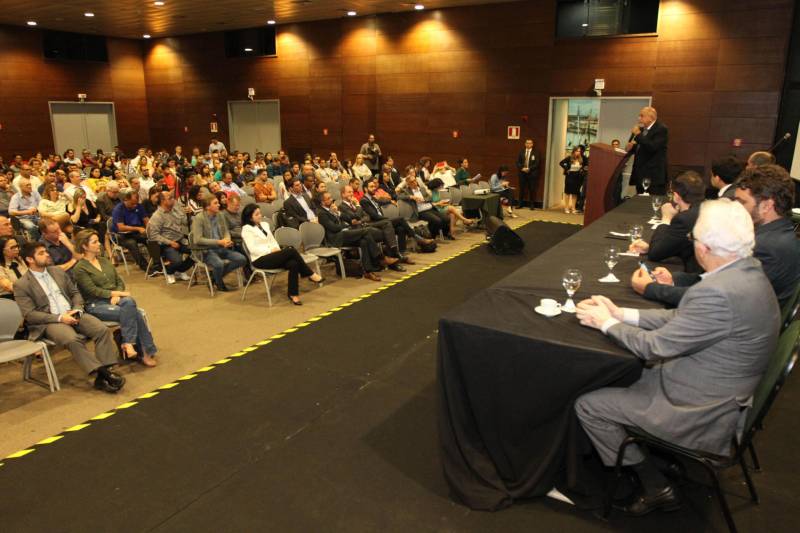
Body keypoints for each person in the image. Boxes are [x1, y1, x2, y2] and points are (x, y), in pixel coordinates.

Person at [574, 199, 779, 516]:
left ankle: (655, 484)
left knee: (589, 406)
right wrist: (622, 314)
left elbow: (653, 348)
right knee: (628, 375)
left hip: (700, 412)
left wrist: (606, 323)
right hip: (723, 393)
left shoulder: (718, 292)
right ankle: (656, 458)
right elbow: (683, 323)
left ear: (704, 248)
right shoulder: (748, 273)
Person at [636, 165, 800, 309]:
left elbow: (715, 298)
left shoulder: (767, 246)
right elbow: (715, 281)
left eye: (742, 202)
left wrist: (651, 289)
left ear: (766, 206)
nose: (735, 207)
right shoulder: (775, 235)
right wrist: (673, 279)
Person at [14, 241, 125, 393]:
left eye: (46, 251)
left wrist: (77, 308)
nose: (47, 254)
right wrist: (60, 318)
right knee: (72, 339)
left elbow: (75, 293)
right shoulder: (22, 284)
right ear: (30, 260)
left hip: (73, 312)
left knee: (101, 329)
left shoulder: (57, 272)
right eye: (41, 253)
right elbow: (30, 314)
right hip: (50, 321)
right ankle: (104, 374)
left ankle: (103, 376)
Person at [73, 230, 158, 367]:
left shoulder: (104, 261)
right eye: (94, 242)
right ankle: (144, 351)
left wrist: (117, 294)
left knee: (129, 304)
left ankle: (129, 343)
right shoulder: (80, 268)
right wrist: (114, 294)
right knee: (134, 312)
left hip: (117, 298)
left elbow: (119, 280)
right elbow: (92, 290)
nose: (99, 244)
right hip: (96, 304)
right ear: (84, 246)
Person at [240, 204, 323, 305]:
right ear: (250, 217)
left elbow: (273, 241)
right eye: (257, 214)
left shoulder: (264, 225)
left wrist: (276, 250)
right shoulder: (246, 229)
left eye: (260, 213)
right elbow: (253, 249)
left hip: (272, 255)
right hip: (260, 259)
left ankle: (293, 294)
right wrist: (271, 250)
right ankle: (309, 274)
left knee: (293, 263)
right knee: (291, 250)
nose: (260, 215)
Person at [629, 170, 705, 272]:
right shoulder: (707, 209)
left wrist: (666, 218)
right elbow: (682, 244)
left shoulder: (685, 219)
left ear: (676, 196)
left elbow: (655, 254)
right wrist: (649, 248)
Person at [316, 192, 397, 282]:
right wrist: (345, 226)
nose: (331, 199)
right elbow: (334, 228)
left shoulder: (333, 209)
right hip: (336, 239)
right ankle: (380, 258)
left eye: (331, 197)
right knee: (366, 231)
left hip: (345, 234)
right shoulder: (322, 214)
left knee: (364, 241)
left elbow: (348, 219)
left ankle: (368, 271)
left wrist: (338, 213)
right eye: (328, 198)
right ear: (322, 202)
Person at [340, 183, 405, 271]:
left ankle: (392, 258)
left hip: (365, 226)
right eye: (349, 192)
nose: (351, 194)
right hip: (358, 231)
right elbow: (356, 216)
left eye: (352, 192)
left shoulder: (354, 204)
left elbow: (367, 217)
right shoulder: (342, 207)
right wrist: (358, 206)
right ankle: (392, 257)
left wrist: (359, 220)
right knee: (387, 230)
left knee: (390, 231)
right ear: (343, 194)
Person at [190, 196, 246, 292]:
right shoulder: (199, 219)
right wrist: (219, 242)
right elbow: (198, 240)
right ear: (207, 207)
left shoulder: (220, 215)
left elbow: (226, 231)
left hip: (221, 247)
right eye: (215, 203)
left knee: (242, 259)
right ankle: (219, 283)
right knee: (219, 264)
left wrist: (227, 239)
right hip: (206, 250)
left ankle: (214, 277)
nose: (219, 205)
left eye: (218, 203)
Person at [147, 191, 194, 284]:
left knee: (197, 253)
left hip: (180, 239)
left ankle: (180, 270)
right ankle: (170, 271)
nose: (173, 199)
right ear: (162, 201)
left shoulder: (175, 209)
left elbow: (185, 222)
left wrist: (189, 215)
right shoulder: (157, 216)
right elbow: (153, 235)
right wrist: (170, 243)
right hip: (166, 244)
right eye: (170, 198)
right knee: (177, 261)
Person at [626, 106, 668, 195]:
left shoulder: (661, 129)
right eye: (639, 116)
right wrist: (630, 148)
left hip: (653, 178)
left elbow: (652, 147)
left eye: (642, 116)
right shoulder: (641, 130)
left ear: (651, 117)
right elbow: (639, 148)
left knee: (651, 205)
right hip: (639, 175)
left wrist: (638, 134)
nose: (639, 118)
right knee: (640, 205)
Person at [398, 173, 452, 239]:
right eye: (412, 182)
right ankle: (431, 237)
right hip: (421, 211)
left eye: (415, 180)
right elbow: (399, 196)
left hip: (430, 208)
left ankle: (442, 233)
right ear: (408, 184)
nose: (415, 183)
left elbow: (429, 198)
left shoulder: (422, 189)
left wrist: (424, 200)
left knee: (446, 219)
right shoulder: (407, 191)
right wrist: (411, 197)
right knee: (437, 221)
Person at [111, 190, 150, 271]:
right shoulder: (118, 209)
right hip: (121, 235)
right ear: (126, 199)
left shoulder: (138, 206)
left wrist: (148, 229)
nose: (134, 206)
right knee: (132, 243)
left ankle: (156, 262)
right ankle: (145, 266)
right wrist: (138, 228)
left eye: (136, 203)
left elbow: (146, 220)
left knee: (150, 238)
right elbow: (121, 227)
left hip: (135, 233)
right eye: (132, 203)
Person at [559, 148, 585, 214]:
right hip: (570, 176)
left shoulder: (581, 159)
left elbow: (584, 166)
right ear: (574, 152)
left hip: (577, 177)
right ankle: (566, 208)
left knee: (575, 193)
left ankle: (573, 208)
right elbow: (561, 163)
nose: (578, 152)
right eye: (577, 151)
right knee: (567, 192)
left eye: (579, 151)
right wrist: (567, 169)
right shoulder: (569, 158)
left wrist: (582, 169)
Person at [517, 139, 541, 209]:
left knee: (532, 189)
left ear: (532, 144)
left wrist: (529, 169)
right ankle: (520, 204)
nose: (528, 144)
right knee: (522, 189)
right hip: (522, 173)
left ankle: (532, 205)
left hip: (532, 173)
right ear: (525, 144)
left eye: (530, 143)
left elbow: (537, 164)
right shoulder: (521, 152)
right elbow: (518, 162)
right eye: (527, 143)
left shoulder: (536, 153)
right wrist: (522, 168)